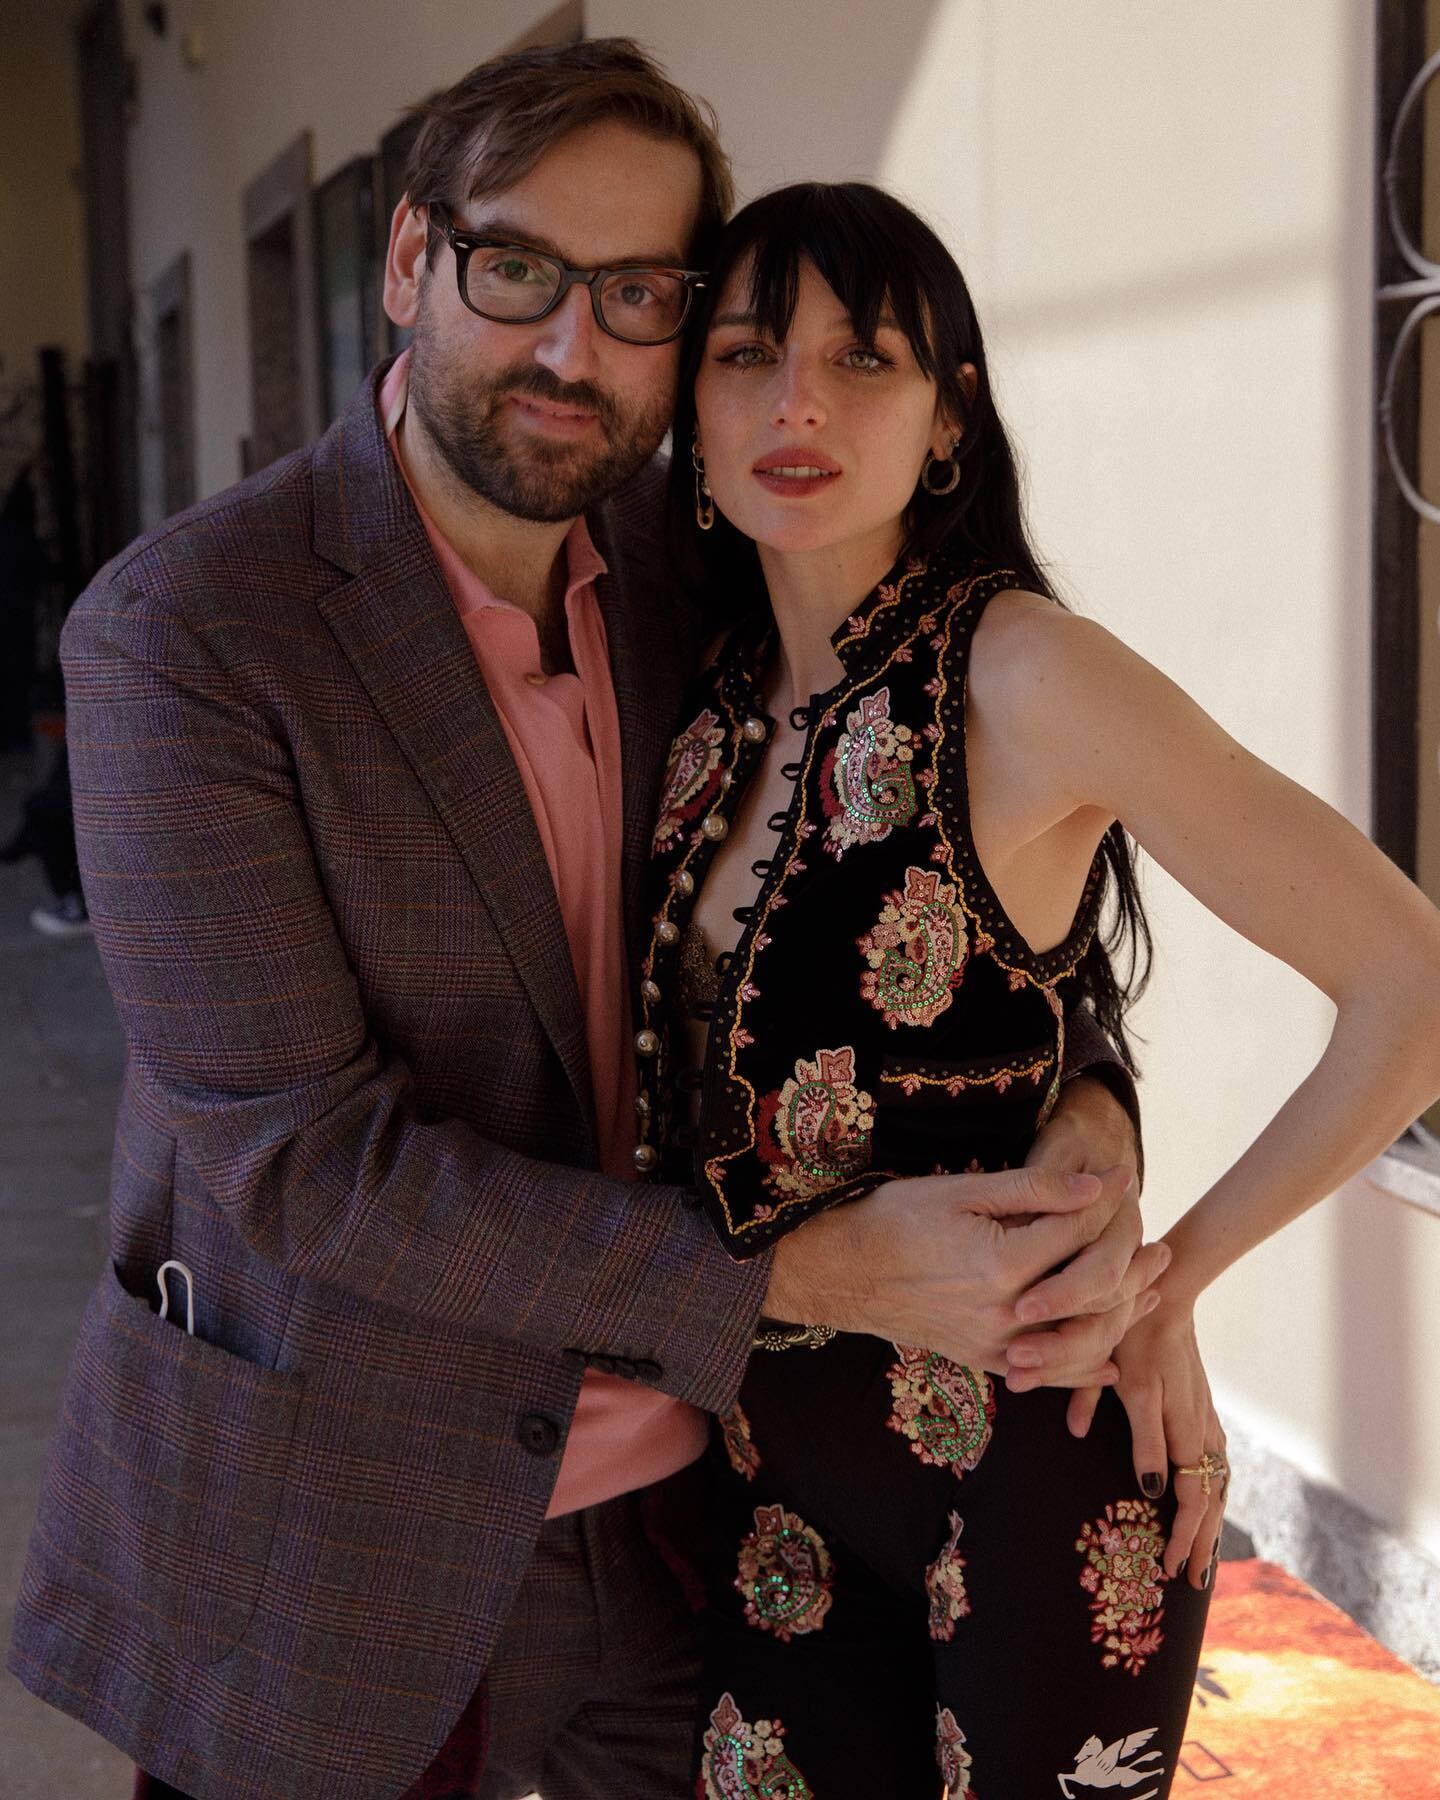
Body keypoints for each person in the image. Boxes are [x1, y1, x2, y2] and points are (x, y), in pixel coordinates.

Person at [9, 43, 1161, 1800]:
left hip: (716, 1519)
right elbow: (304, 1166)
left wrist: (1097, 1154)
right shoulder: (190, 636)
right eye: (519, 269)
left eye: (637, 295)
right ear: (411, 260)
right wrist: (799, 1272)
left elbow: (937, 905)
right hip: (348, 1535)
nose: (572, 347)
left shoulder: (702, 567)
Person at [639, 181, 1440, 1799]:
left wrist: (1171, 1280)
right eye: (747, 353)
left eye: (863, 358)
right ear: (694, 415)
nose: (797, 402)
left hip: (1040, 1493)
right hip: (772, 1496)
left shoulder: (1021, 672)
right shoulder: (702, 697)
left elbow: (1410, 980)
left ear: (949, 417)